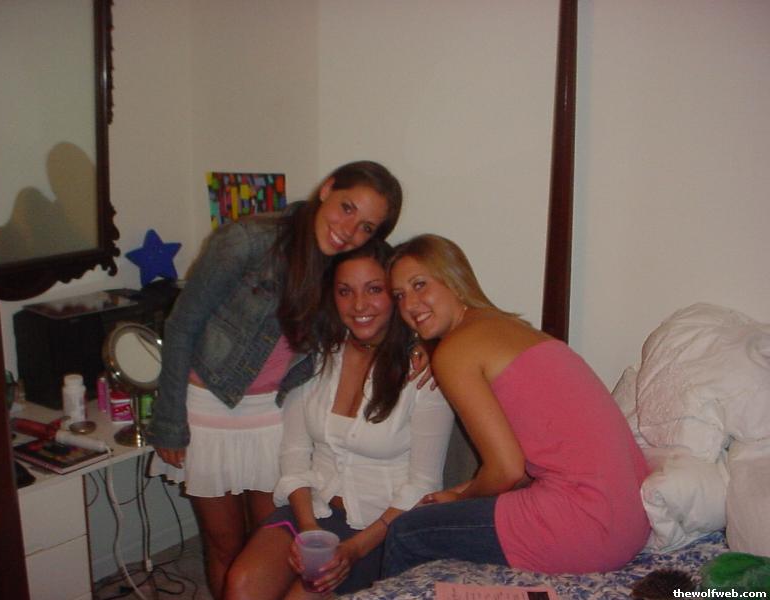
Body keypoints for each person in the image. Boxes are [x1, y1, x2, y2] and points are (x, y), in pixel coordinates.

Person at [145, 161, 403, 599]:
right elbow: (182, 324)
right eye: (347, 208)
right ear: (327, 189)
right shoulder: (247, 240)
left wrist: (419, 351)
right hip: (208, 407)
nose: (349, 231)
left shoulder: (341, 267)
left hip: (275, 413)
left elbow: (383, 303)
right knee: (224, 546)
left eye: (366, 227)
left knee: (266, 544)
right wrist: (169, 418)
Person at [383, 234, 651, 576]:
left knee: (405, 533)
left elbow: (507, 469)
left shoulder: (455, 351)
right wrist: (459, 493)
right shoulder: (512, 329)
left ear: (454, 279)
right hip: (630, 522)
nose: (409, 304)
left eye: (420, 284)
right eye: (400, 295)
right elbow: (527, 463)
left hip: (585, 524)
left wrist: (461, 500)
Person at [224, 239, 454, 598]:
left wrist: (354, 550)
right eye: (345, 291)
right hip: (312, 512)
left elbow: (423, 484)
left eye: (374, 289)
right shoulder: (316, 357)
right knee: (242, 585)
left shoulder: (424, 371)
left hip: (381, 527)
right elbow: (295, 452)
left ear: (394, 295)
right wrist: (308, 530)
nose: (359, 305)